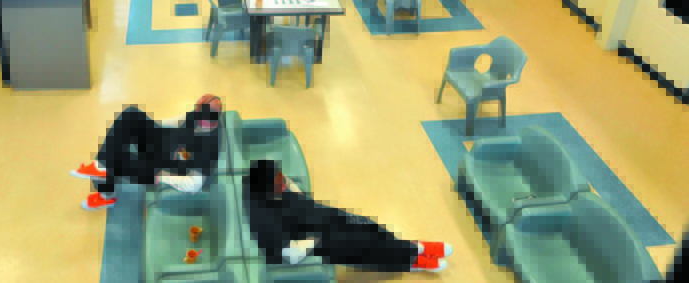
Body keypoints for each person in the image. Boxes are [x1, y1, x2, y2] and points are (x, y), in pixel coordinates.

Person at [243, 160, 452, 273]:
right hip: (308, 240)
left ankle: (410, 248)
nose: (284, 184)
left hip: (309, 215)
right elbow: (292, 255)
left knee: (368, 226)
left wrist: (301, 199)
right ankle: (413, 258)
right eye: (279, 184)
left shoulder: (256, 178)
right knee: (365, 249)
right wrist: (317, 239)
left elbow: (285, 181)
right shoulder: (265, 221)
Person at [71, 95, 224, 211]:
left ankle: (106, 195)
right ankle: (100, 167)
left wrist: (162, 177)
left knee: (114, 158)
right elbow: (179, 121)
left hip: (162, 168)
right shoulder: (199, 116)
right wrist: (151, 126)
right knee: (131, 115)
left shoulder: (208, 148)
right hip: (162, 144)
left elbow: (193, 185)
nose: (195, 112)